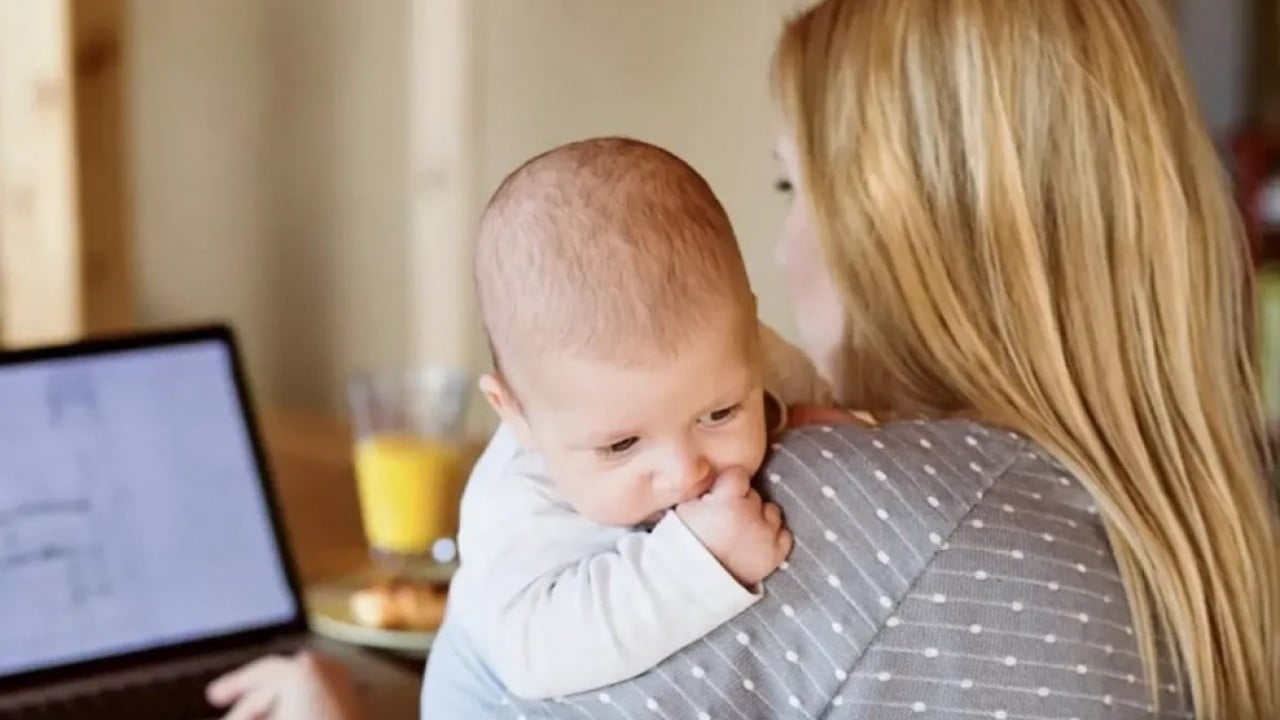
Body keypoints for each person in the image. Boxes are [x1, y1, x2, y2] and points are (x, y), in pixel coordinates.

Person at [209, 0, 1280, 718]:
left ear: (903, 230)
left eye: (789, 189)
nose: (781, 247)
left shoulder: (819, 516)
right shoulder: (1213, 513)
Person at [436, 136, 839, 701]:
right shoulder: (517, 501)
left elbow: (809, 397)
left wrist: (818, 418)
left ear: (750, 330)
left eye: (719, 413)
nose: (683, 472)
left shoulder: (742, 354)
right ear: (517, 413)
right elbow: (537, 656)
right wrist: (701, 562)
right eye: (622, 445)